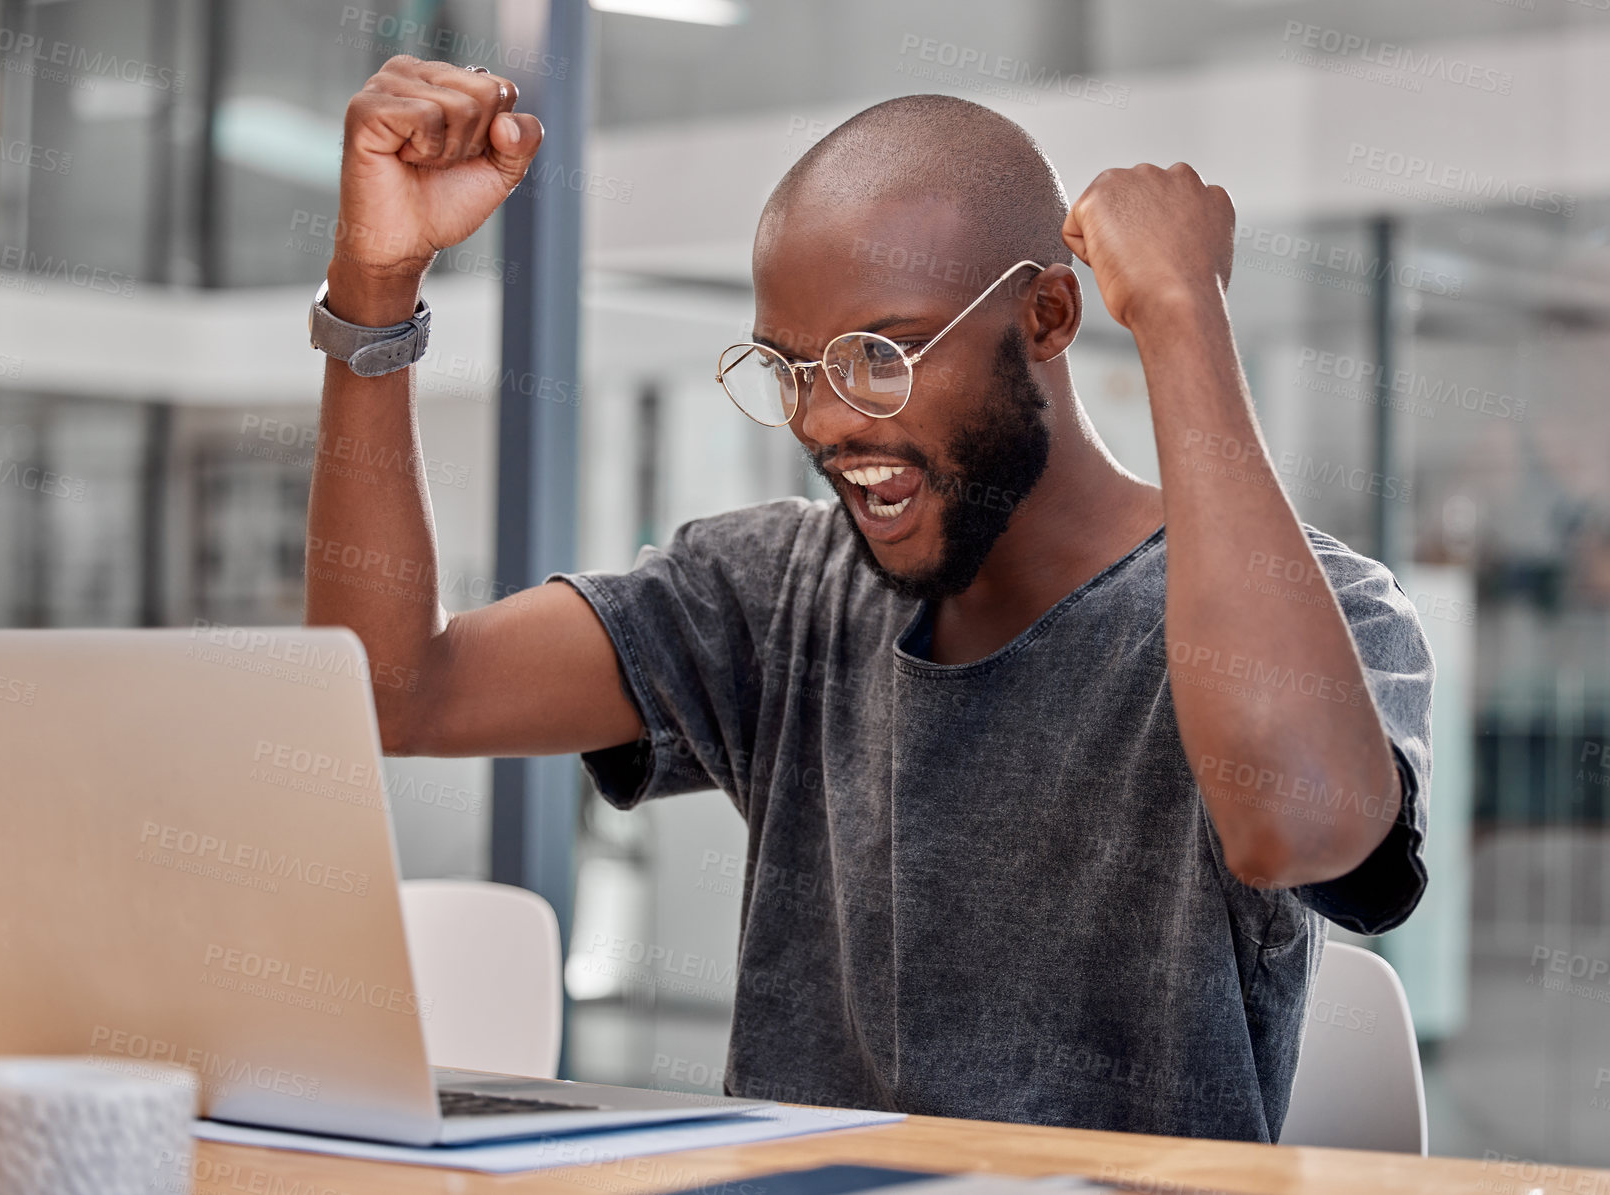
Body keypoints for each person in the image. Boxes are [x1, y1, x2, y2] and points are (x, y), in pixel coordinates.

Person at [304, 57, 1433, 1143]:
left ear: (1046, 318)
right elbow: (397, 692)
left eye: (878, 356)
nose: (824, 419)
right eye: (790, 368)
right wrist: (373, 292)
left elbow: (1295, 825)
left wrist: (1184, 315)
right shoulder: (774, 592)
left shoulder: (1315, 609)